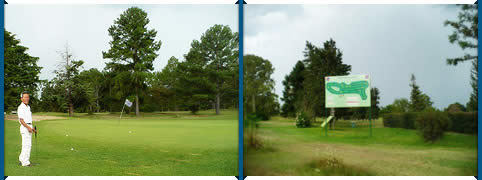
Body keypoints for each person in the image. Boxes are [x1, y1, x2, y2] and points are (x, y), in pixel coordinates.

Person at [18, 91, 36, 167]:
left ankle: (22, 160)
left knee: (26, 145)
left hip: (28, 127)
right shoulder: (21, 107)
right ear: (21, 98)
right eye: (25, 97)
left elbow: (28, 119)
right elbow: (21, 120)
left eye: (28, 97)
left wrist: (32, 128)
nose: (27, 98)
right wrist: (28, 127)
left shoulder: (28, 107)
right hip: (25, 128)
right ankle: (25, 163)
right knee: (27, 145)